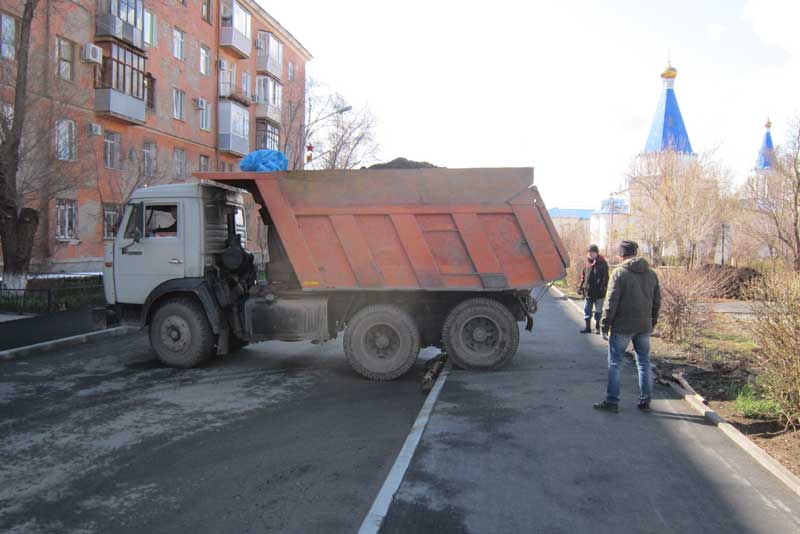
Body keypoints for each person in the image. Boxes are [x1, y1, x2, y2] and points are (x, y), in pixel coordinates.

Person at [594, 240, 661, 413]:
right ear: (636, 253)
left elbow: (611, 303)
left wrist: (604, 324)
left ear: (621, 254)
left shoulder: (619, 273)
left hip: (622, 326)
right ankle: (645, 401)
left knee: (615, 364)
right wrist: (652, 321)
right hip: (643, 325)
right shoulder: (651, 274)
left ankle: (612, 402)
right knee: (644, 363)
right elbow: (656, 301)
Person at [577, 244, 609, 337]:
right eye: (589, 252)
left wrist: (604, 288)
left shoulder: (602, 263)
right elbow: (583, 276)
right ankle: (587, 328)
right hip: (588, 291)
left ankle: (598, 327)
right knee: (587, 310)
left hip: (599, 292)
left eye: (592, 252)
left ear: (596, 253)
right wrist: (580, 287)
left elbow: (606, 277)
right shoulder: (587, 263)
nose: (590, 254)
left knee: (598, 311)